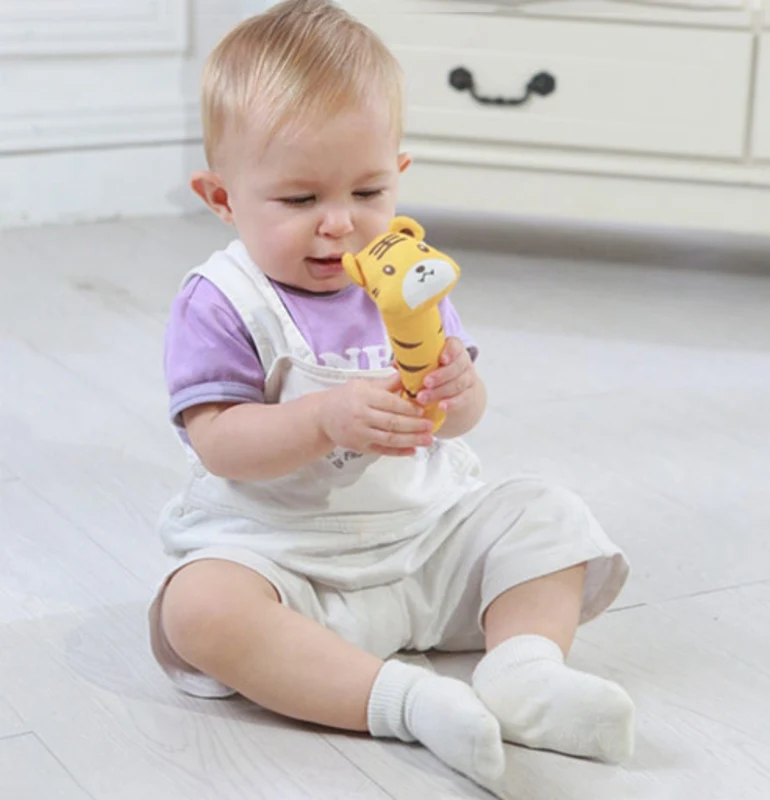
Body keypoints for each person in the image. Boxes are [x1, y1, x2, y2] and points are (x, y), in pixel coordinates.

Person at [148, 0, 635, 789]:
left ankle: (523, 670)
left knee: (549, 513)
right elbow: (219, 442)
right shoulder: (223, 300)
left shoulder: (407, 276)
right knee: (198, 608)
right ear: (222, 197)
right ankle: (405, 703)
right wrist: (321, 419)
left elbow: (460, 418)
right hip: (289, 562)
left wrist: (459, 389)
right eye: (300, 200)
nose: (339, 224)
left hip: (426, 542)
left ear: (398, 176)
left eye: (368, 191)